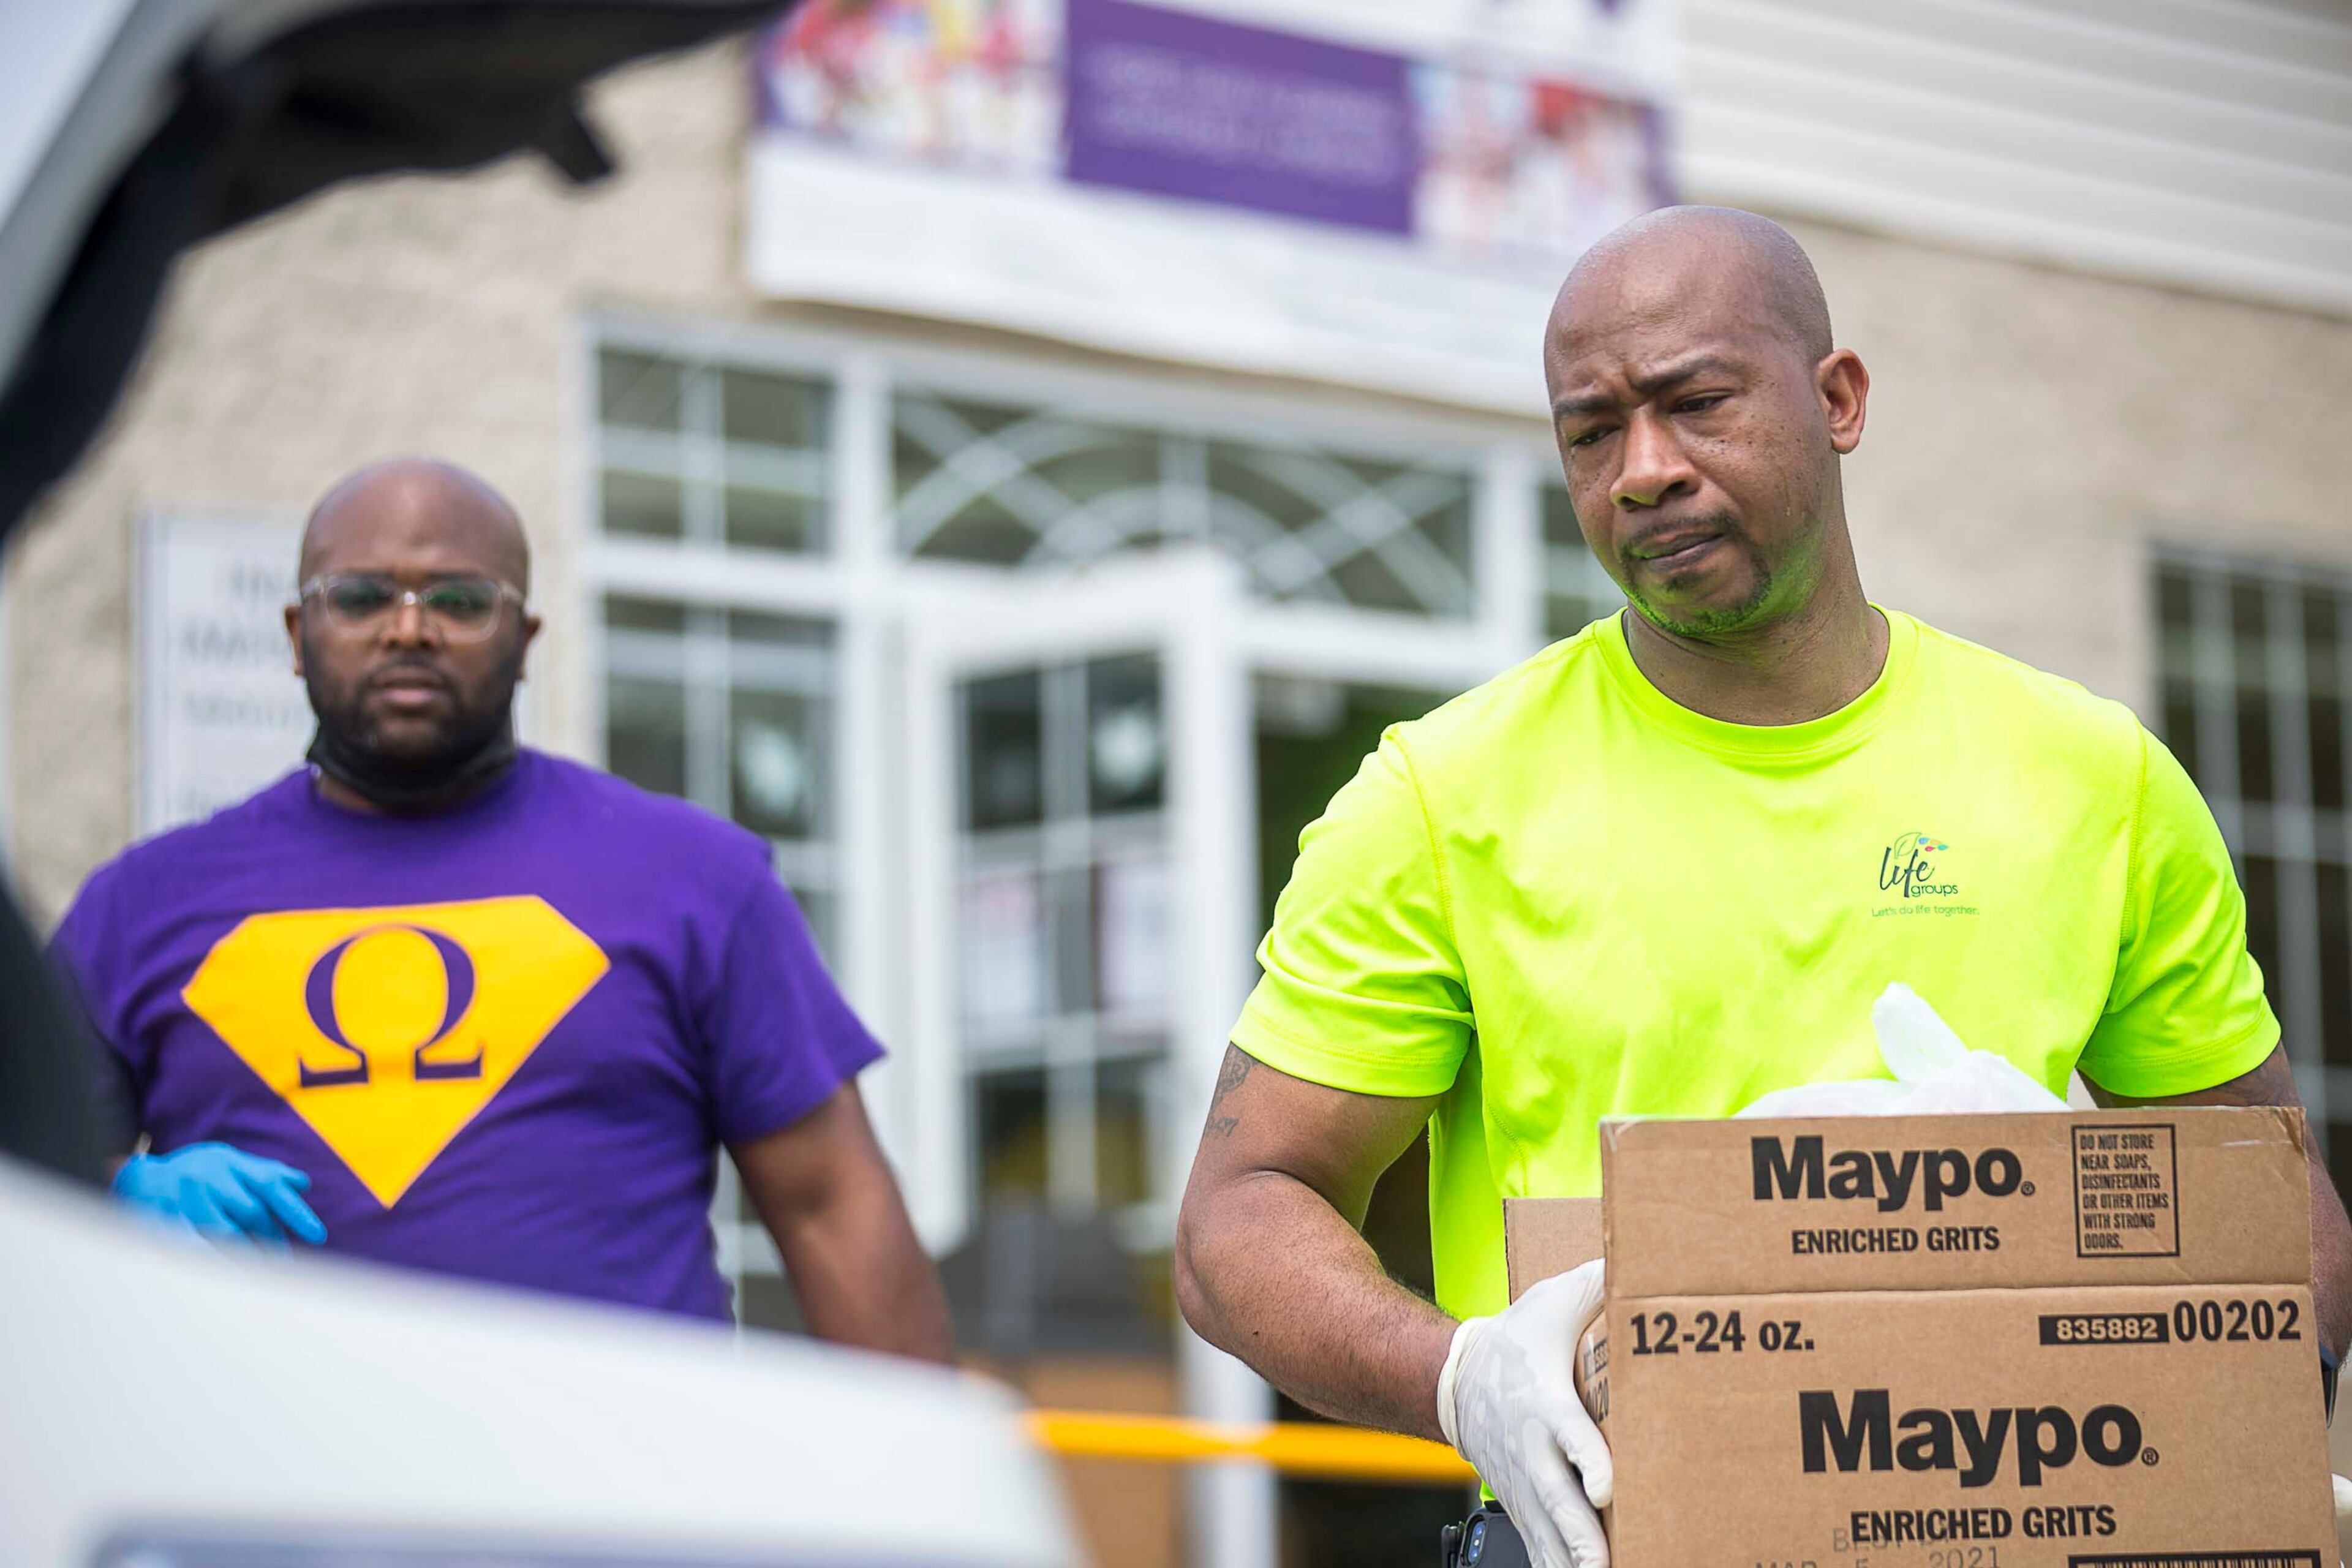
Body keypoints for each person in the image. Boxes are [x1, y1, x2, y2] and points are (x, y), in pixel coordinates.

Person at [1172, 207, 2352, 1567]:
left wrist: (2126, 1265)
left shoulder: (2092, 781)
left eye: (1696, 403)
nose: (1643, 472)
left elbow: (2290, 1225)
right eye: (1591, 431)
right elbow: (1238, 1212)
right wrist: (1466, 1374)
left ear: (1838, 399)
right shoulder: (1445, 800)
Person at [54, 458, 952, 1359]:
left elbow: (830, 1203)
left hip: (624, 1478)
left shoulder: (694, 879)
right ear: (298, 633)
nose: (409, 630)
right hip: (254, 1475)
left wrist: (922, 1483)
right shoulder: (140, 907)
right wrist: (111, 1198)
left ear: (525, 637)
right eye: (361, 597)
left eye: (459, 600)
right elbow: (25, 1191)